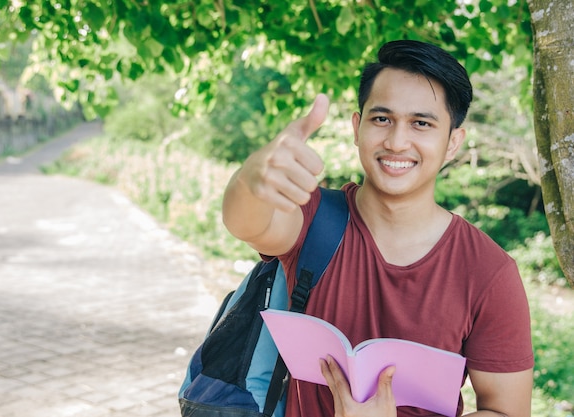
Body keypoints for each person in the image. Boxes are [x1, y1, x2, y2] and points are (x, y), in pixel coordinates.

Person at [221, 40, 534, 417]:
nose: (397, 141)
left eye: (421, 123)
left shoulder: (489, 272)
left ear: (453, 143)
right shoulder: (315, 218)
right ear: (357, 127)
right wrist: (250, 179)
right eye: (382, 119)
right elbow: (246, 221)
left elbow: (507, 410)